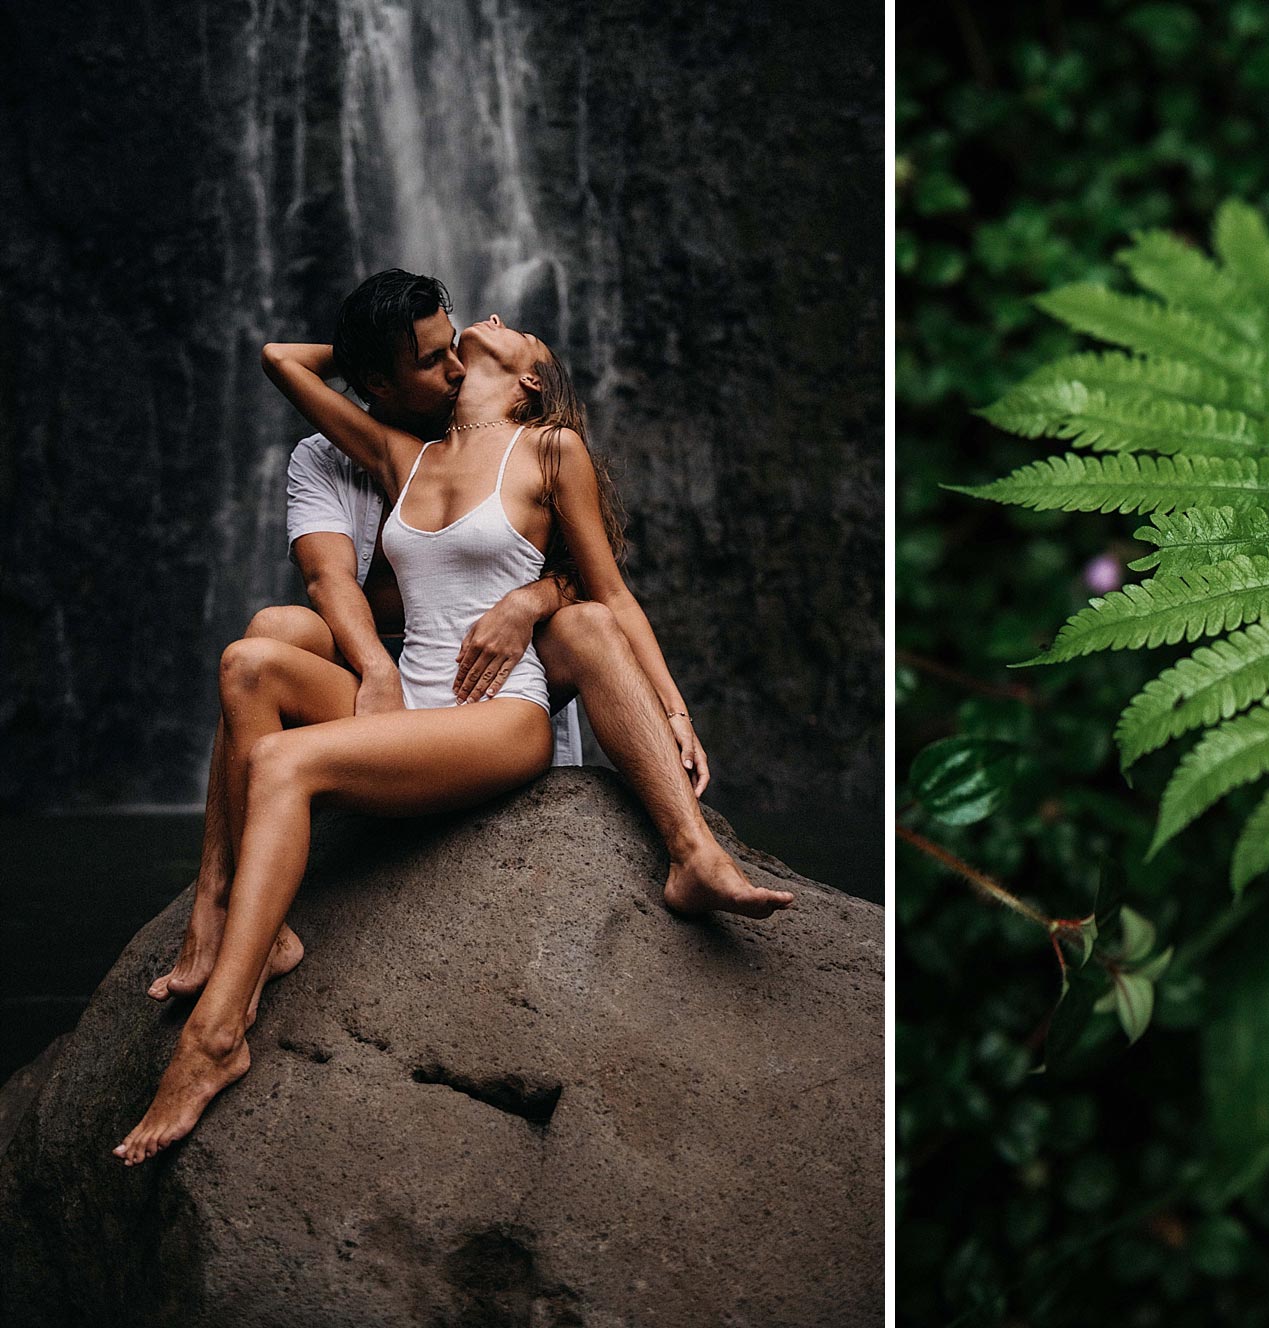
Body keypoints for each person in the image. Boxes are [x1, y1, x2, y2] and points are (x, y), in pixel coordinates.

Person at [114, 294, 793, 1166]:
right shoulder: (407, 452)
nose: (491, 317)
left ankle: (213, 1038)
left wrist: (675, 708)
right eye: (432, 351)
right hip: (408, 709)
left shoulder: (552, 448)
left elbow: (610, 595)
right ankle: (258, 927)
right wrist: (380, 351)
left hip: (497, 716)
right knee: (250, 660)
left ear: (531, 375)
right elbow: (283, 361)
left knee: (284, 760)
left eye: (507, 331)